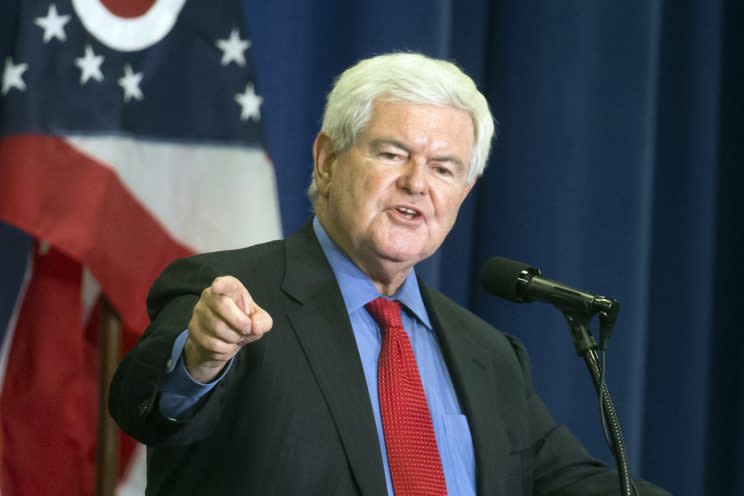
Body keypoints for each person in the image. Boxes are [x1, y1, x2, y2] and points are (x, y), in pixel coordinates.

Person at [109, 52, 668, 495]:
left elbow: (572, 483)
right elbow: (147, 406)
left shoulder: (490, 354)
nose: (417, 183)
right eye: (394, 154)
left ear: (462, 194)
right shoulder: (231, 293)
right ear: (327, 161)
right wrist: (201, 360)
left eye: (444, 168)